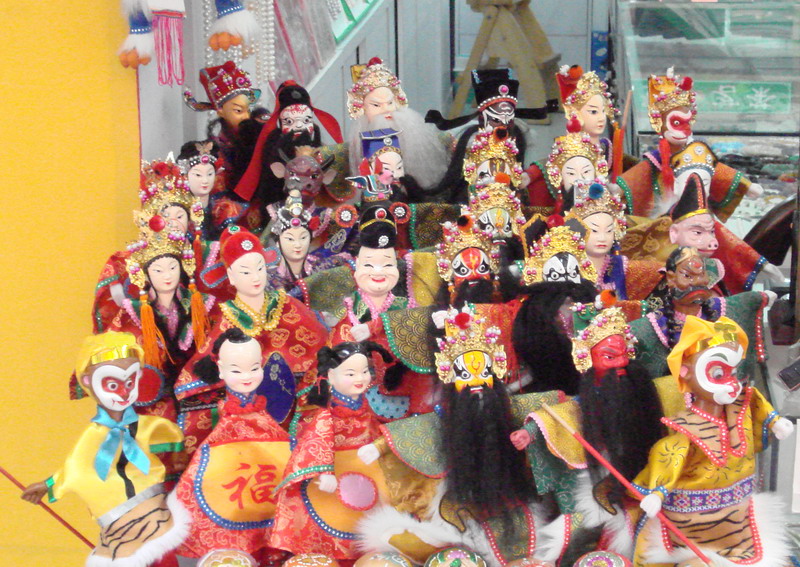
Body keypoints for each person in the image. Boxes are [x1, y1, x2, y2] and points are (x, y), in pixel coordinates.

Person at [633, 317, 793, 566]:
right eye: (718, 374)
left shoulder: (742, 404)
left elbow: (757, 401)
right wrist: (658, 493)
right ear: (686, 372)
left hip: (739, 517)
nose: (731, 383)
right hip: (693, 525)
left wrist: (775, 421)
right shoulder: (684, 429)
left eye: (733, 373)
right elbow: (670, 458)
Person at [22, 332, 188, 567]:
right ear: (88, 382)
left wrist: (178, 451)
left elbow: (166, 432)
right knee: (137, 552)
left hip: (152, 501)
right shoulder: (95, 434)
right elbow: (76, 467)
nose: (123, 392)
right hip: (117, 511)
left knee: (163, 548)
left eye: (129, 383)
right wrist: (48, 485)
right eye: (113, 385)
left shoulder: (145, 425)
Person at [174, 226, 327, 456]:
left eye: (260, 268)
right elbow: (203, 369)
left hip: (296, 401)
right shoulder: (225, 317)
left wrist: (309, 383)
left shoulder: (289, 306)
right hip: (244, 404)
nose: (256, 277)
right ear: (231, 276)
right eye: (245, 272)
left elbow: (322, 347)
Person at [175, 328, 291, 565]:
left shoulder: (267, 422)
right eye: (236, 371)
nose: (247, 376)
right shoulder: (222, 426)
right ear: (220, 370)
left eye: (255, 368)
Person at [270, 342, 394, 560]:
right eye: (351, 374)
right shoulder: (327, 415)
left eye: (365, 371)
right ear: (331, 377)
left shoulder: (364, 407)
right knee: (333, 514)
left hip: (367, 466)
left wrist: (379, 447)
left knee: (379, 511)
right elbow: (317, 440)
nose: (360, 378)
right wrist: (325, 471)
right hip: (336, 468)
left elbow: (374, 430)